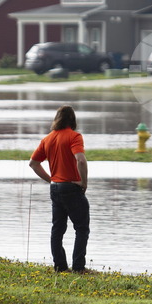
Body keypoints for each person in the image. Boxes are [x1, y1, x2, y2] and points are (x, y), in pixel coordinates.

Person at [29, 105, 89, 273]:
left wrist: (52, 180)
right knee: (82, 228)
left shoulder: (47, 139)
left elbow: (33, 164)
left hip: (55, 189)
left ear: (57, 119)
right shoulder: (74, 136)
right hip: (71, 188)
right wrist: (84, 182)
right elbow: (81, 160)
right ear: (73, 120)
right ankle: (78, 268)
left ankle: (60, 267)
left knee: (57, 230)